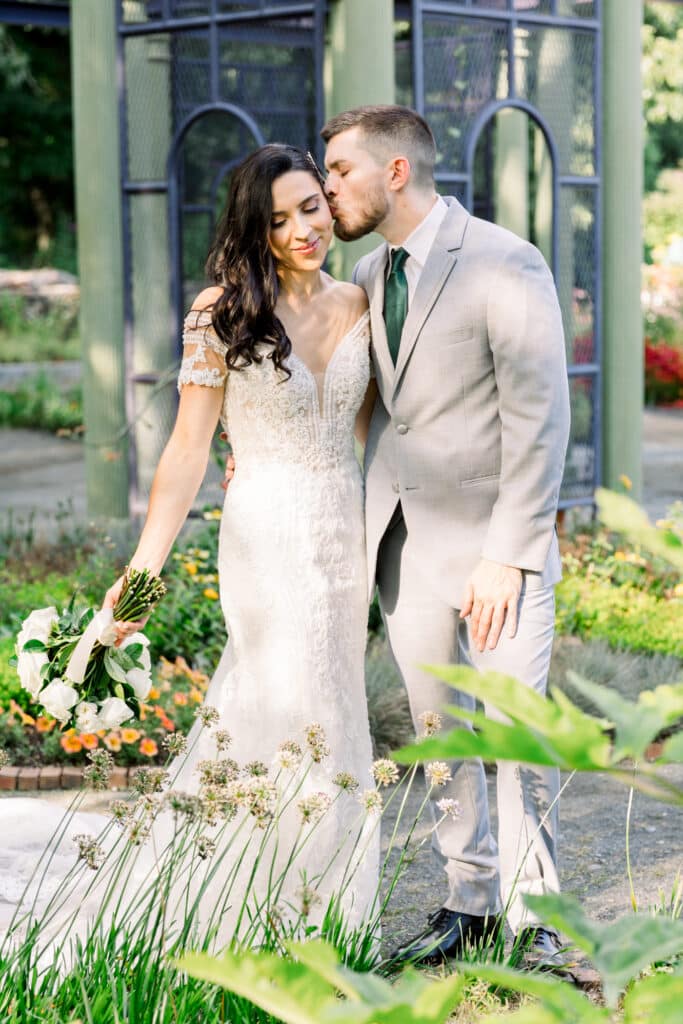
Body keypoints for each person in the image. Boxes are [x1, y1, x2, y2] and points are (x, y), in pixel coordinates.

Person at [0, 144, 379, 951]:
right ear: (254, 229)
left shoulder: (362, 300)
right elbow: (185, 450)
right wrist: (140, 574)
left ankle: (332, 906)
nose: (302, 228)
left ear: (327, 200)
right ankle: (253, 902)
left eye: (311, 206)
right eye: (277, 220)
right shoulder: (222, 310)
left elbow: (369, 430)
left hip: (344, 531)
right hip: (265, 528)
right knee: (280, 694)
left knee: (335, 700)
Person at [319, 105, 570, 965]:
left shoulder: (506, 261)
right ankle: (468, 906)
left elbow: (540, 419)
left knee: (513, 739)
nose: (327, 188)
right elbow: (376, 407)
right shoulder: (365, 267)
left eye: (340, 171)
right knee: (440, 742)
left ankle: (538, 923)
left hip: (494, 550)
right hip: (404, 548)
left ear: (394, 172)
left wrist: (508, 554)